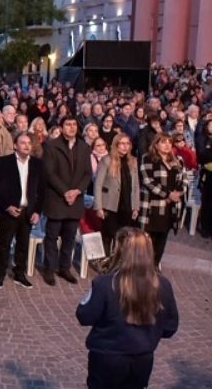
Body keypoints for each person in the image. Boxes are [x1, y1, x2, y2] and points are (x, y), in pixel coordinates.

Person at [76, 227, 179, 389]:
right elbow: (171, 327)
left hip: (106, 359)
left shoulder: (104, 284)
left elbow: (84, 315)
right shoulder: (163, 285)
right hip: (142, 360)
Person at [42, 116, 92, 286]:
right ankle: (49, 269)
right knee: (52, 236)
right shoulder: (51, 145)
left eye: (74, 125)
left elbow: (87, 173)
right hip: (57, 198)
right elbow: (49, 173)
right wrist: (65, 192)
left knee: (69, 237)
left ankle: (64, 268)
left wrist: (77, 191)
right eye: (67, 125)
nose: (71, 128)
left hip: (76, 199)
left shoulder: (84, 147)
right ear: (61, 127)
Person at [0, 132, 45, 289]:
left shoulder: (37, 164)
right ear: (15, 145)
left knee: (23, 245)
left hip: (28, 211)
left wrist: (37, 211)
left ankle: (19, 274)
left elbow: (42, 191)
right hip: (9, 211)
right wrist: (7, 206)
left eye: (29, 142)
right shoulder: (4, 162)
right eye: (23, 142)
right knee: (5, 244)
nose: (27, 145)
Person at [139, 132, 188, 266]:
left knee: (162, 241)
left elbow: (184, 181)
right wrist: (167, 194)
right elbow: (148, 181)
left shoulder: (178, 160)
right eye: (163, 142)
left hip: (170, 209)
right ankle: (144, 270)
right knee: (148, 244)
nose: (167, 145)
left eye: (169, 142)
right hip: (152, 209)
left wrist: (177, 194)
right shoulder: (147, 158)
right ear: (156, 144)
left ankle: (155, 268)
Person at [94, 134, 140, 255]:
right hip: (109, 205)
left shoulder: (133, 161)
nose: (125, 147)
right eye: (122, 144)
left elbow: (136, 186)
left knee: (124, 237)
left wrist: (136, 206)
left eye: (128, 144)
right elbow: (98, 184)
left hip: (126, 206)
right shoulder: (107, 160)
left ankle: (119, 263)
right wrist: (98, 207)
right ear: (116, 145)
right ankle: (106, 262)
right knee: (108, 236)